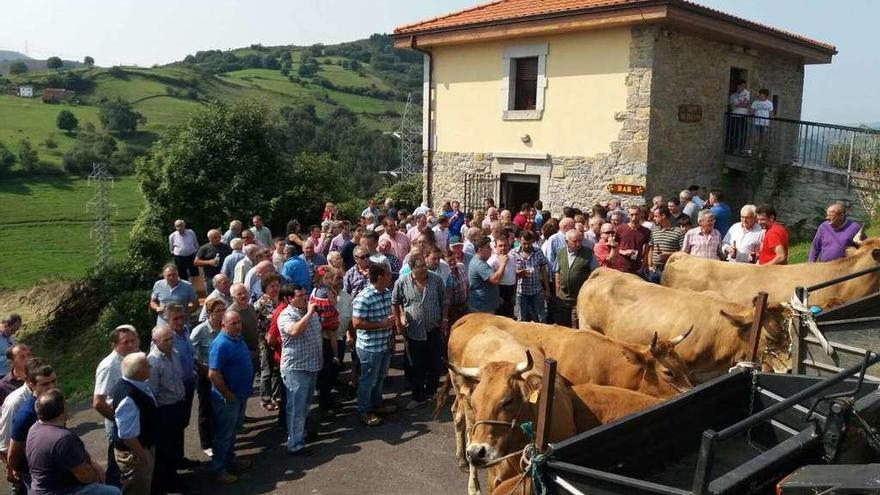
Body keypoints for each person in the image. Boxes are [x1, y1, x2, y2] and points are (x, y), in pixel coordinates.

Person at [26, 389, 120, 495]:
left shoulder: (34, 428)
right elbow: (85, 476)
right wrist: (98, 475)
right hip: (61, 491)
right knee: (114, 492)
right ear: (63, 411)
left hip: (39, 489)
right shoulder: (63, 438)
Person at [392, 257, 447, 410]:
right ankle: (418, 396)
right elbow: (395, 302)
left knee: (435, 364)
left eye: (424, 265)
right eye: (420, 266)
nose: (424, 268)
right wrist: (397, 322)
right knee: (416, 365)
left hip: (433, 329)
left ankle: (431, 392)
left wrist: (445, 319)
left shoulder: (435, 280)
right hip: (413, 331)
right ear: (412, 268)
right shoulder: (402, 282)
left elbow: (444, 301)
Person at [208, 311, 254, 484]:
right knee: (224, 434)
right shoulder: (220, 344)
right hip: (227, 399)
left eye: (238, 323)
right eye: (233, 323)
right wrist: (227, 394)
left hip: (240, 394)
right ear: (223, 325)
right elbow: (213, 374)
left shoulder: (238, 338)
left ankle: (230, 460)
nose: (237, 326)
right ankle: (218, 469)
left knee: (233, 431)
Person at [1, 358, 58, 495]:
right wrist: (11, 468)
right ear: (31, 383)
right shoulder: (17, 405)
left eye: (54, 381)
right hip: (32, 471)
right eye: (45, 384)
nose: (52, 387)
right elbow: (6, 442)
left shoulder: (53, 398)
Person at [277, 285, 323, 455]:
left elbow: (317, 334)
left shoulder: (310, 312)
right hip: (296, 368)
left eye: (305, 294)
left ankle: (301, 434)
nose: (305, 298)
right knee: (296, 408)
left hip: (312, 365)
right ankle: (295, 444)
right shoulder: (285, 316)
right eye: (300, 296)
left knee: (305, 405)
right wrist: (310, 313)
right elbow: (295, 331)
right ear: (289, 299)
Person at [92, 326, 139, 488]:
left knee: (133, 462)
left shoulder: (131, 359)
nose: (131, 345)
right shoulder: (109, 366)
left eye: (133, 340)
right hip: (118, 424)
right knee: (117, 466)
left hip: (133, 421)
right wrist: (119, 420)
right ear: (114, 345)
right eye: (126, 342)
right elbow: (98, 402)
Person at [352, 263, 396, 427]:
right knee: (368, 380)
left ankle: (377, 404)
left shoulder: (386, 293)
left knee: (380, 377)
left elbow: (389, 318)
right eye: (388, 275)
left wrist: (391, 336)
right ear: (379, 277)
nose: (391, 277)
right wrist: (381, 324)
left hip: (384, 344)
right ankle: (364, 411)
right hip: (370, 348)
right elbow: (356, 323)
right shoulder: (364, 297)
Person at [147, 325, 186, 492]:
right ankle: (168, 481)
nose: (170, 342)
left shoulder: (174, 353)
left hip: (178, 404)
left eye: (171, 338)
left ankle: (175, 474)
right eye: (166, 340)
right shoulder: (153, 362)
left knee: (176, 443)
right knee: (165, 448)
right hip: (165, 410)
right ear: (155, 342)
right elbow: (152, 392)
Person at [111, 352, 157, 495]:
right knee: (137, 489)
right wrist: (142, 454)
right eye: (146, 365)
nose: (150, 366)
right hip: (135, 454)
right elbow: (127, 434)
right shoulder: (129, 398)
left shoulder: (134, 384)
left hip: (141, 447)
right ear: (138, 372)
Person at [190, 298, 225, 458]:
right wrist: (203, 367)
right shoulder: (200, 330)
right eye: (218, 310)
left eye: (223, 309)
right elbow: (192, 354)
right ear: (209, 313)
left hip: (222, 373)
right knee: (206, 409)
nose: (221, 313)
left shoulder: (224, 328)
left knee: (220, 407)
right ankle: (206, 444)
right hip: (204, 375)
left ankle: (219, 437)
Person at [555, 229, 595, 327]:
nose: (578, 244)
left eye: (580, 241)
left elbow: (595, 274)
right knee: (562, 326)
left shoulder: (588, 254)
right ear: (566, 242)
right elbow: (557, 273)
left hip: (579, 298)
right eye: (574, 241)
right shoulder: (561, 253)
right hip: (563, 298)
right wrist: (557, 291)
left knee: (575, 325)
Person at [255, 274, 282, 412]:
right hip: (265, 340)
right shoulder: (261, 303)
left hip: (279, 339)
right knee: (266, 370)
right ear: (265, 288)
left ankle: (277, 396)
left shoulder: (282, 300)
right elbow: (254, 319)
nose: (276, 288)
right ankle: (265, 399)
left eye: (277, 285)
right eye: (272, 286)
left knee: (278, 369)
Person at [514, 230, 550, 322]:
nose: (526, 246)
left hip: (536, 291)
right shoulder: (514, 253)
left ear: (532, 241)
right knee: (521, 318)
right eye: (524, 243)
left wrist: (547, 289)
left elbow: (543, 271)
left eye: (529, 243)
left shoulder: (538, 252)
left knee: (541, 317)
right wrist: (519, 273)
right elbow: (511, 273)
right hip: (521, 292)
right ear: (519, 241)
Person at [608, 206, 650, 275]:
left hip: (637, 268)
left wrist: (643, 266)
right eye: (631, 214)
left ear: (640, 215)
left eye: (636, 214)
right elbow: (613, 247)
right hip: (621, 267)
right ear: (628, 215)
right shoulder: (620, 229)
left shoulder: (646, 231)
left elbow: (646, 251)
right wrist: (623, 252)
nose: (634, 217)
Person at [467, 237, 505, 314]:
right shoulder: (479, 264)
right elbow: (495, 279)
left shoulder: (479, 262)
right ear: (480, 249)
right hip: (482, 308)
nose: (491, 249)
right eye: (488, 247)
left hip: (485, 306)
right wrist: (503, 263)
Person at [228, 283, 259, 375]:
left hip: (256, 350)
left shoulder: (250, 307)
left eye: (244, 292)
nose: (243, 295)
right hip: (243, 353)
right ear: (233, 297)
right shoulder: (231, 313)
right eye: (239, 294)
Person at [647, 207, 683, 283]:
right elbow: (651, 249)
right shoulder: (654, 231)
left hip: (671, 271)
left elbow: (683, 252)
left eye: (656, 216)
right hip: (654, 271)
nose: (654, 218)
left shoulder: (678, 232)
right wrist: (650, 266)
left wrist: (669, 254)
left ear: (663, 216)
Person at [194, 229, 232, 294]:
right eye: (215, 237)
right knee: (211, 298)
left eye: (219, 237)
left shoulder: (225, 247)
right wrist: (208, 262)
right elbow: (196, 262)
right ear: (209, 238)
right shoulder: (204, 248)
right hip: (210, 278)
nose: (217, 239)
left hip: (224, 278)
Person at [728, 79, 750, 153]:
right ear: (738, 86)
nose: (743, 87)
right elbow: (731, 106)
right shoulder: (733, 95)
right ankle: (732, 148)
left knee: (743, 133)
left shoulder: (747, 93)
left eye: (744, 86)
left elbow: (746, 104)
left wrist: (736, 104)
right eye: (742, 86)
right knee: (734, 132)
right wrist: (740, 103)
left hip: (743, 115)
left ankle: (741, 149)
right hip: (734, 115)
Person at [750, 88, 774, 155]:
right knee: (754, 136)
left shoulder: (769, 103)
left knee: (763, 138)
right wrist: (751, 112)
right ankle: (751, 150)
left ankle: (760, 152)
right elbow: (752, 111)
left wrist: (771, 123)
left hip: (765, 124)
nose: (760, 97)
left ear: (766, 96)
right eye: (760, 95)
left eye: (762, 96)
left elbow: (771, 113)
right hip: (756, 122)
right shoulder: (755, 102)